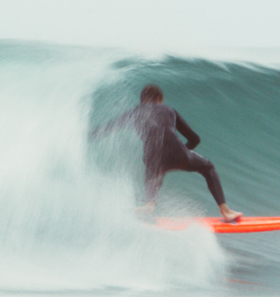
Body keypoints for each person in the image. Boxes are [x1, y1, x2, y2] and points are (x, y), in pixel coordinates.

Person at [99, 84, 242, 222]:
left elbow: (108, 128)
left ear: (142, 100)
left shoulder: (133, 112)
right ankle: (226, 211)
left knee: (153, 170)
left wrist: (86, 134)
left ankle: (148, 205)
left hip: (152, 159)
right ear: (158, 99)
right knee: (208, 167)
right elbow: (195, 139)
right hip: (178, 153)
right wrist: (183, 153)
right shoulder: (168, 110)